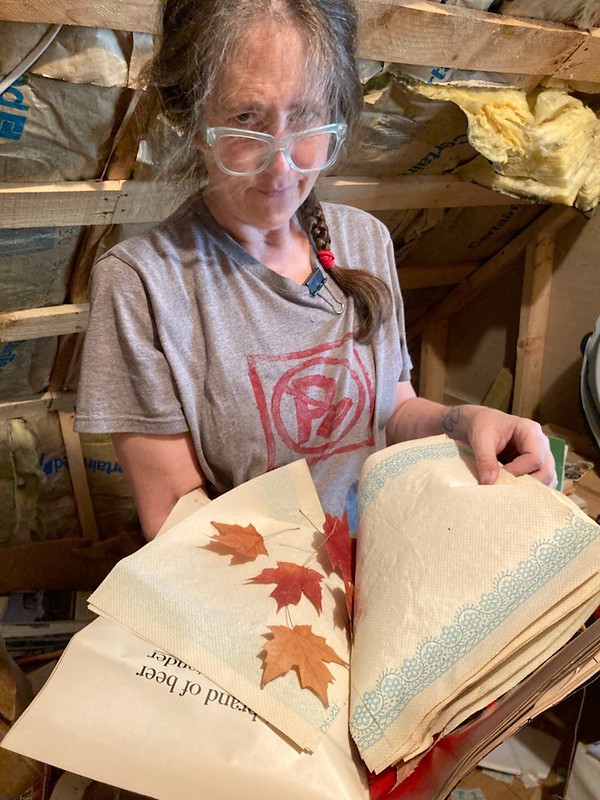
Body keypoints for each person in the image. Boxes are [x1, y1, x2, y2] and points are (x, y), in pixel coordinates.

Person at [74, 0, 556, 541]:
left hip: (381, 552)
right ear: (191, 123)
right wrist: (315, 587)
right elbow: (176, 516)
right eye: (245, 119)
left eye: (304, 116)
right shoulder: (143, 284)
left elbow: (391, 413)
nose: (280, 164)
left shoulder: (363, 239)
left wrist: (465, 422)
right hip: (257, 590)